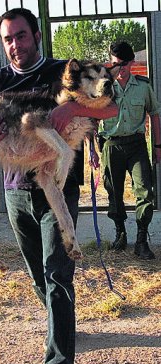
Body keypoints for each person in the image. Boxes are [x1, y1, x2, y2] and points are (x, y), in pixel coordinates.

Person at [0, 8, 118, 364]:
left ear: (37, 35)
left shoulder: (65, 72)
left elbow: (111, 105)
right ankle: (64, 326)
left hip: (57, 187)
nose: (15, 45)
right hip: (14, 190)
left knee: (57, 274)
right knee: (40, 276)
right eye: (8, 39)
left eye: (21, 36)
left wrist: (71, 106)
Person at [99, 41, 161, 260]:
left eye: (125, 63)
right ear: (111, 63)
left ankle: (142, 240)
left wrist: (157, 147)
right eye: (116, 63)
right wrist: (90, 151)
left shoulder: (143, 86)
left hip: (136, 145)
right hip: (111, 145)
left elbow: (154, 114)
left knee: (145, 192)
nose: (121, 67)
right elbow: (90, 116)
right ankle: (120, 233)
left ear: (132, 63)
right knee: (113, 192)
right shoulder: (103, 87)